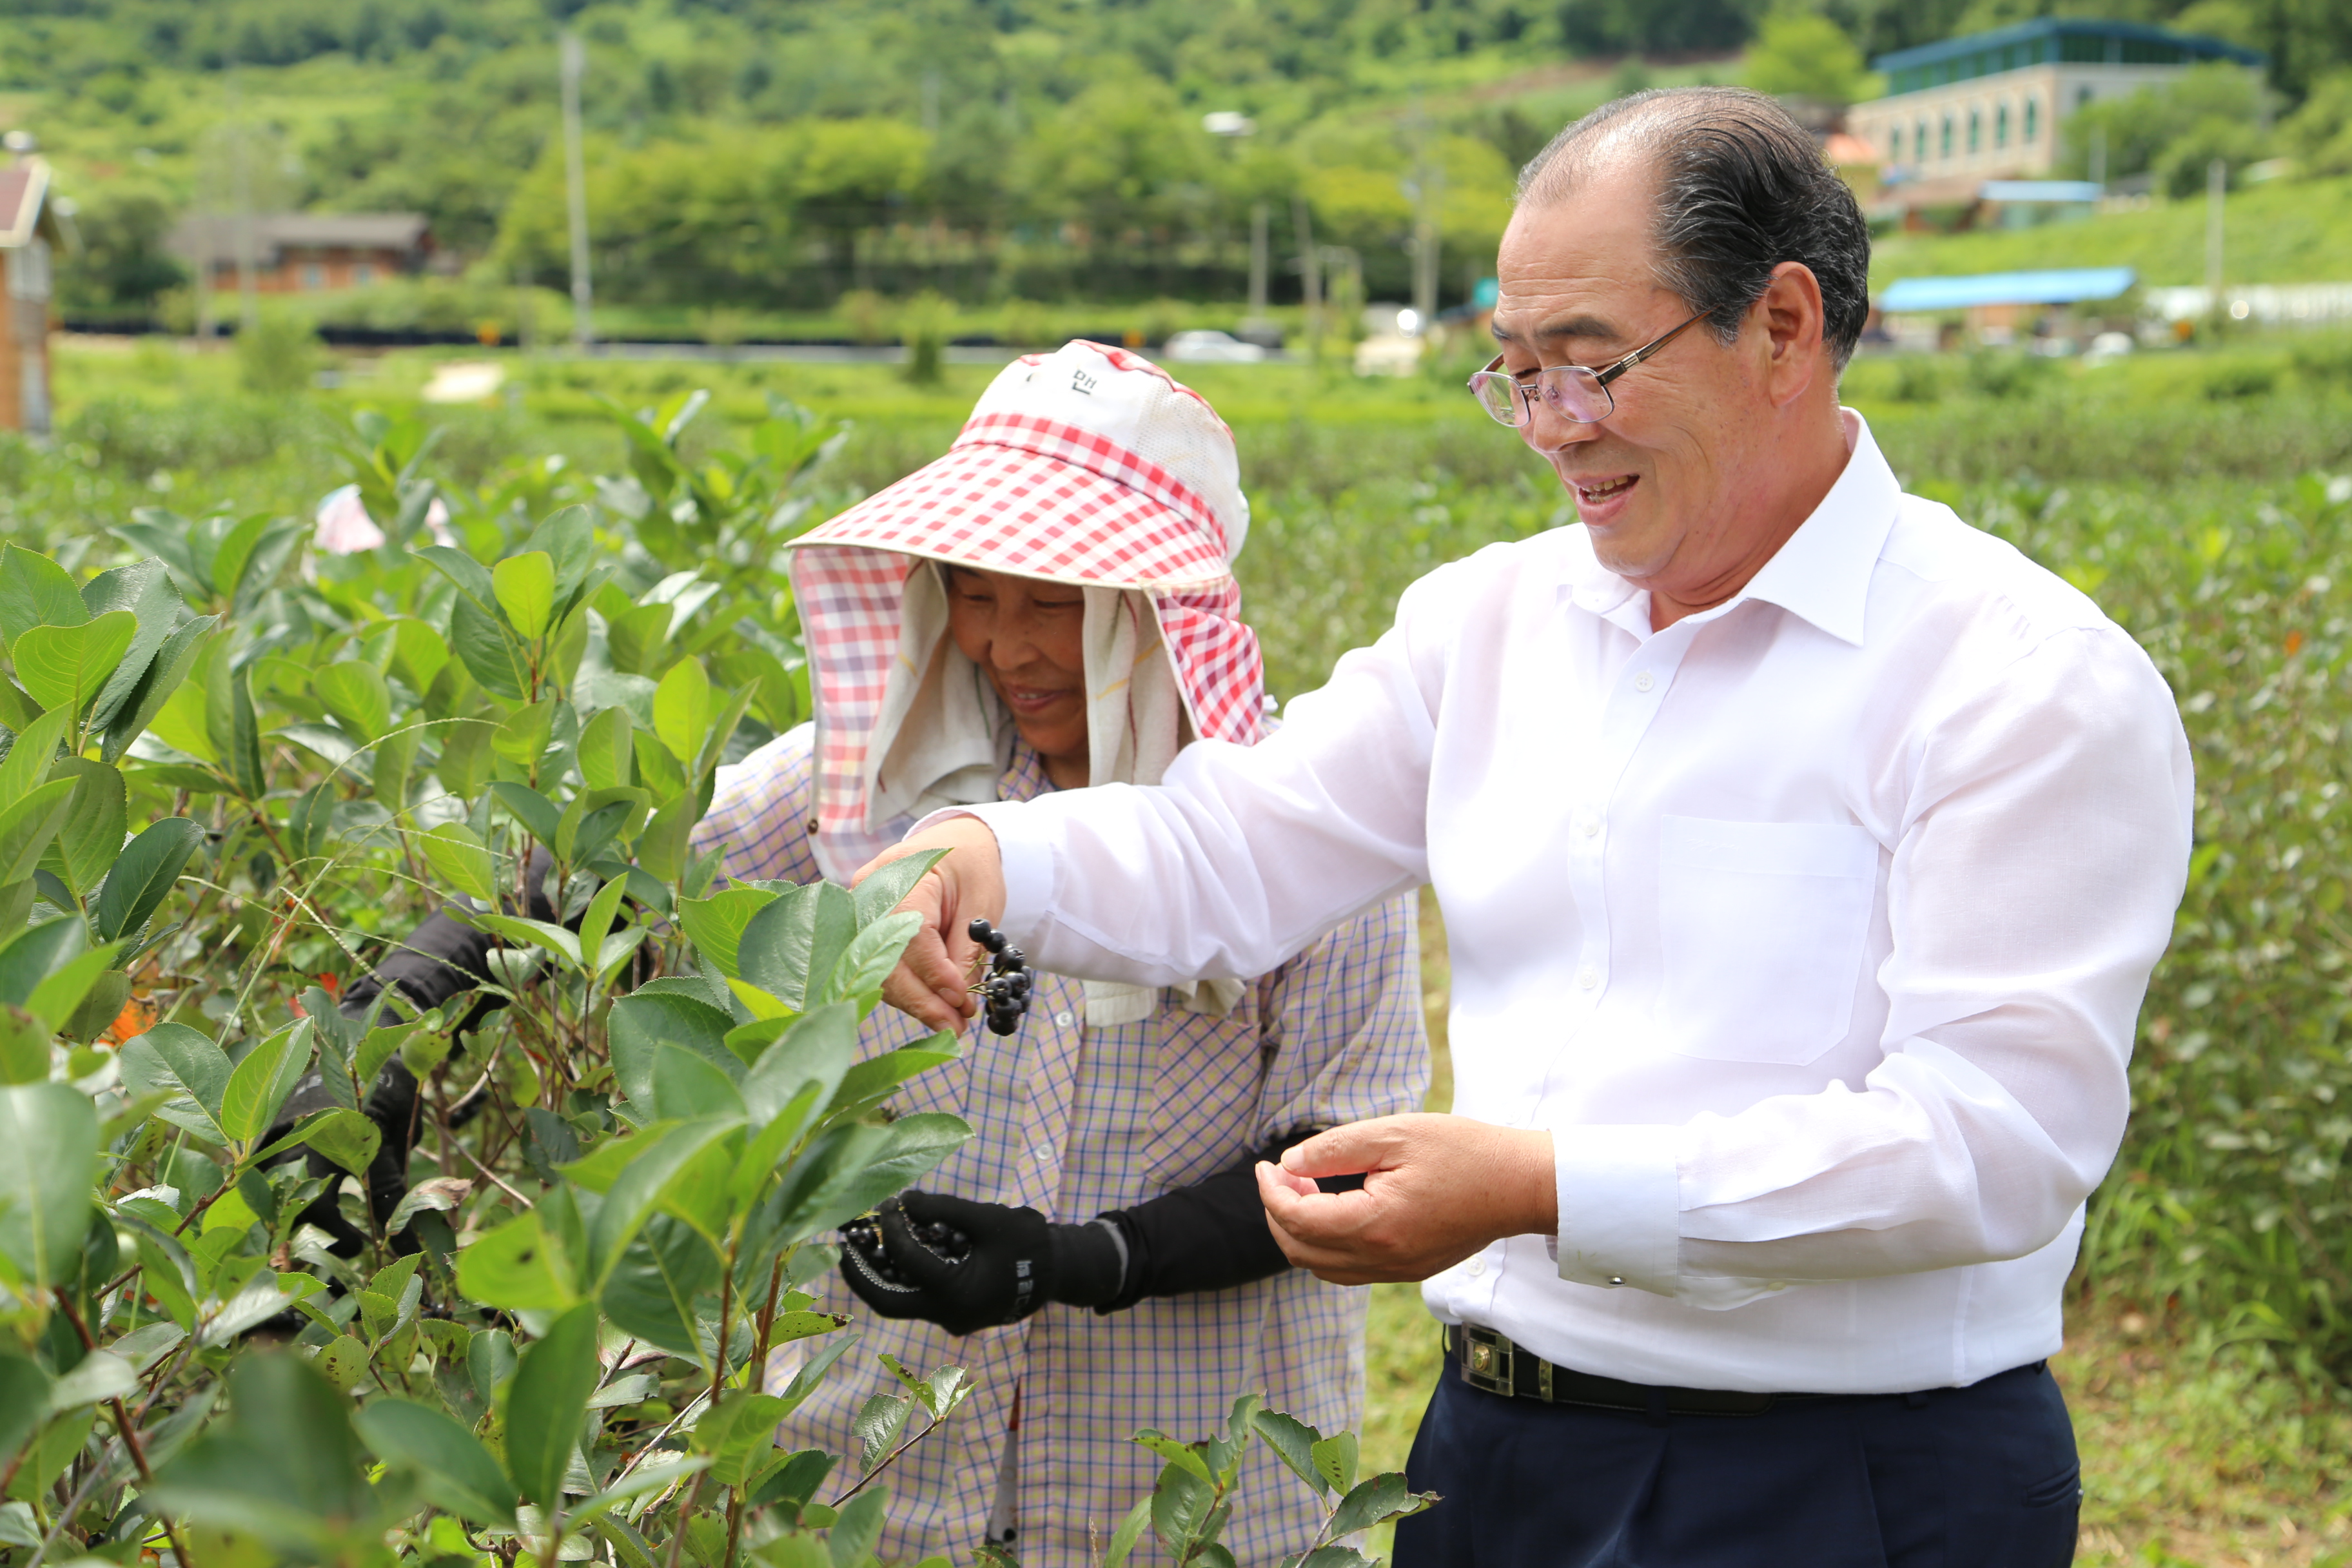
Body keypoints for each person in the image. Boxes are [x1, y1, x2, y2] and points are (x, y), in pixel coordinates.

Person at [861, 91, 2193, 1565]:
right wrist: (987, 855)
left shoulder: (2016, 678)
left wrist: (1540, 1187)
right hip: (1495, 1453)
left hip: (1841, 1476)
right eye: (1517, 375)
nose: (1555, 428)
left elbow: (1990, 1142)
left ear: (1785, 327)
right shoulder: (1490, 622)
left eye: (1592, 366)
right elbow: (1237, 847)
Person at [690, 341, 1428, 1564]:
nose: (1006, 644)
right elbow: (647, 865)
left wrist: (1084, 1262)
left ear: (1160, 619)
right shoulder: (890, 775)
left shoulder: (1299, 825)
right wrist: (431, 971)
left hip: (1179, 1482)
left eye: (1057, 606)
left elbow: (1339, 1162)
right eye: (976, 594)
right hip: (890, 1460)